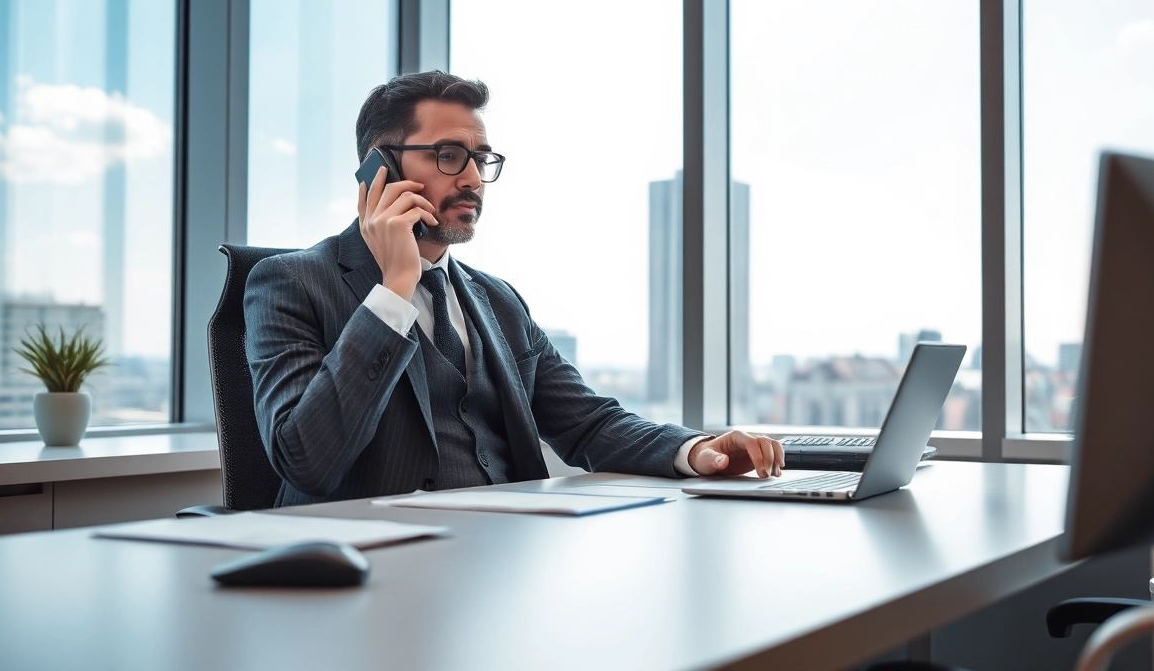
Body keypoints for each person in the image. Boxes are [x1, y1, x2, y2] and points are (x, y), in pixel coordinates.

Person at [245, 70, 783, 507]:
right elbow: (307, 464)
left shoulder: (496, 300)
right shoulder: (291, 283)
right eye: (450, 155)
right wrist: (394, 290)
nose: (474, 179)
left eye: (481, 159)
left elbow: (588, 425)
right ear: (378, 171)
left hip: (500, 565)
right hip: (371, 573)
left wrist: (699, 449)